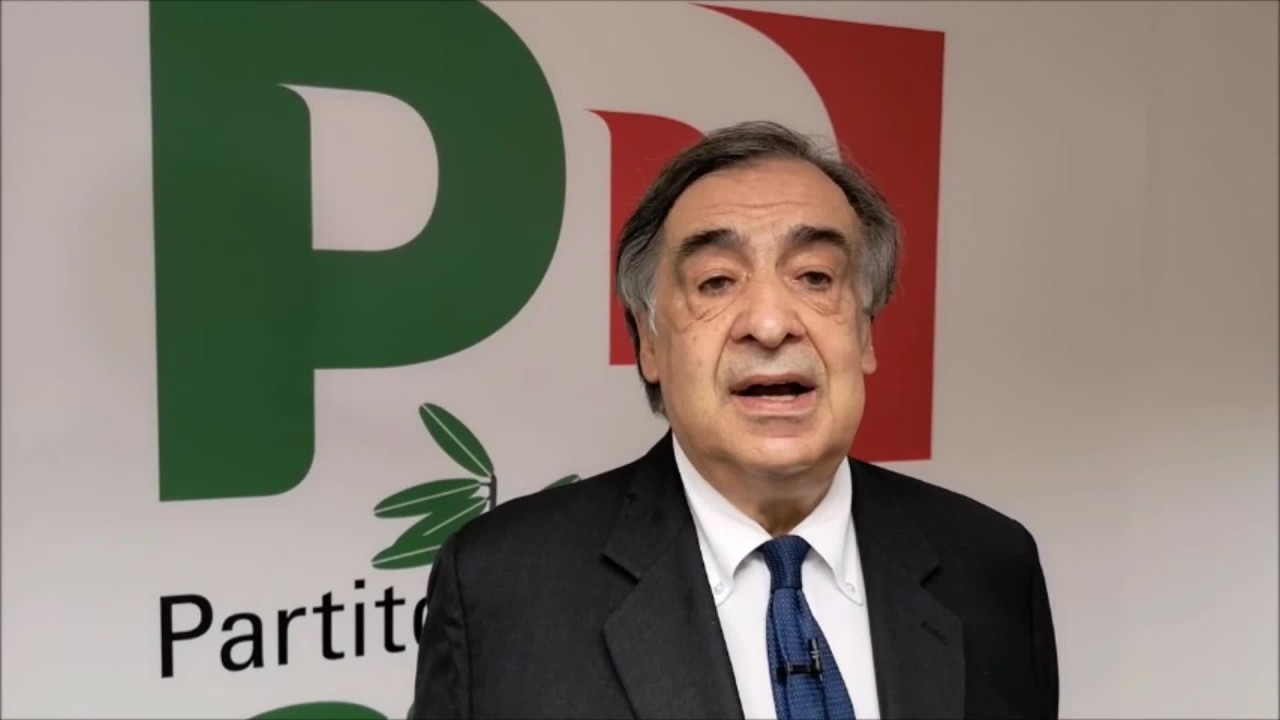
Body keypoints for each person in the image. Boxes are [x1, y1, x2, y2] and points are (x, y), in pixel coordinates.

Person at [410, 121, 1059, 719]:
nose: (771, 325)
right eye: (717, 282)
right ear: (649, 342)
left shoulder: (992, 564)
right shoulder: (501, 587)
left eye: (815, 276)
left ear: (864, 331)